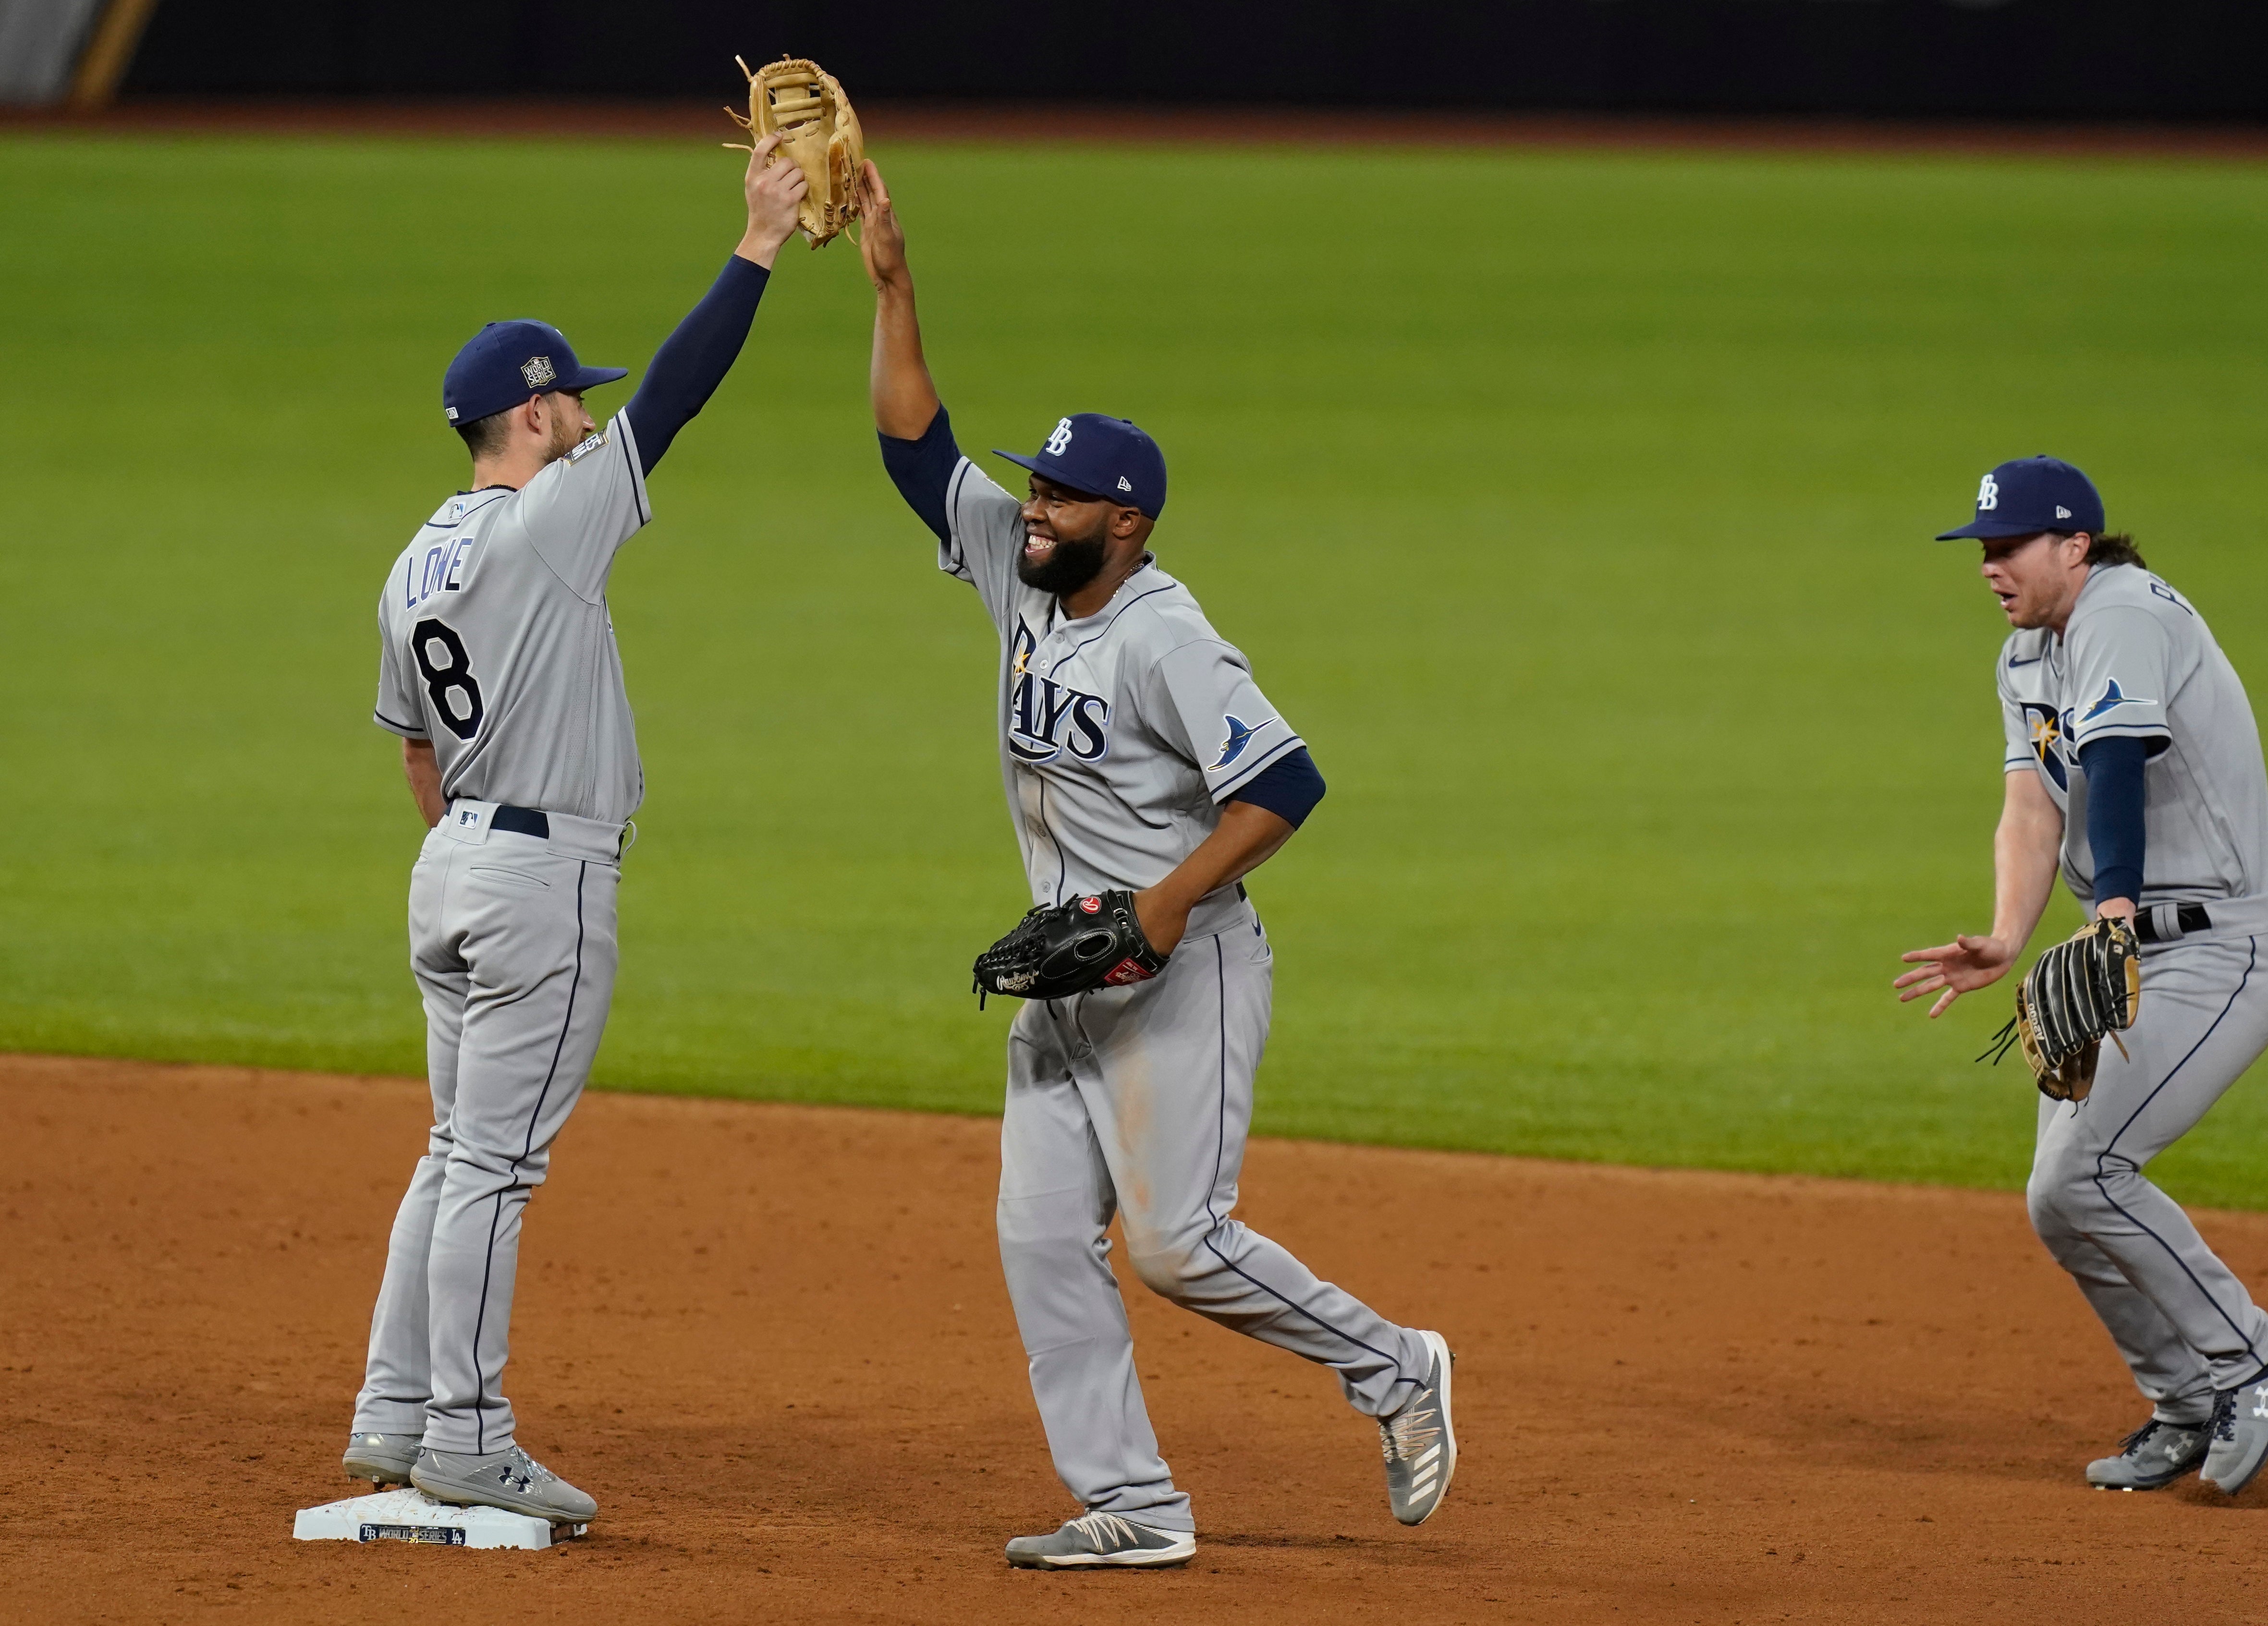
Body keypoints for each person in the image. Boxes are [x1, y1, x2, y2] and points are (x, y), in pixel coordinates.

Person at [854, 160, 1456, 1569]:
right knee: (1036, 1236)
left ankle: (1396, 1369)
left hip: (1186, 972)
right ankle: (1133, 1500)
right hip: (1068, 965)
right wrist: (892, 286)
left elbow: (1290, 786)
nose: (1035, 507)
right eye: (1036, 486)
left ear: (1128, 522)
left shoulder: (1170, 636)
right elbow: (910, 447)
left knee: (1178, 1246)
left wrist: (1161, 908)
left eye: (1064, 497)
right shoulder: (1019, 562)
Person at [341, 138, 810, 1525]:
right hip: (541, 875)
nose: (592, 422)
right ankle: (466, 1434)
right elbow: (676, 396)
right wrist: (761, 241)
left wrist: (468, 854)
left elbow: (417, 748)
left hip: (452, 866)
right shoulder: (547, 523)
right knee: (494, 1163)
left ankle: (392, 1406)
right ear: (535, 418)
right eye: (574, 407)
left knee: (450, 1148)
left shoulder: (410, 559)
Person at [1896, 456, 2268, 1495]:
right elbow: (2031, 807)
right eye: (1982, 550)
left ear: (2074, 543)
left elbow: (2116, 761)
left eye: (2009, 547)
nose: (1989, 566)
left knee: (2086, 1173)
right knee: (2057, 1198)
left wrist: (2113, 906)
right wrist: (2004, 933)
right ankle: (2182, 1401)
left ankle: (2249, 1354)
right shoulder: (2023, 656)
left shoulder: (2122, 610)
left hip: (2216, 950)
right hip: (2128, 948)